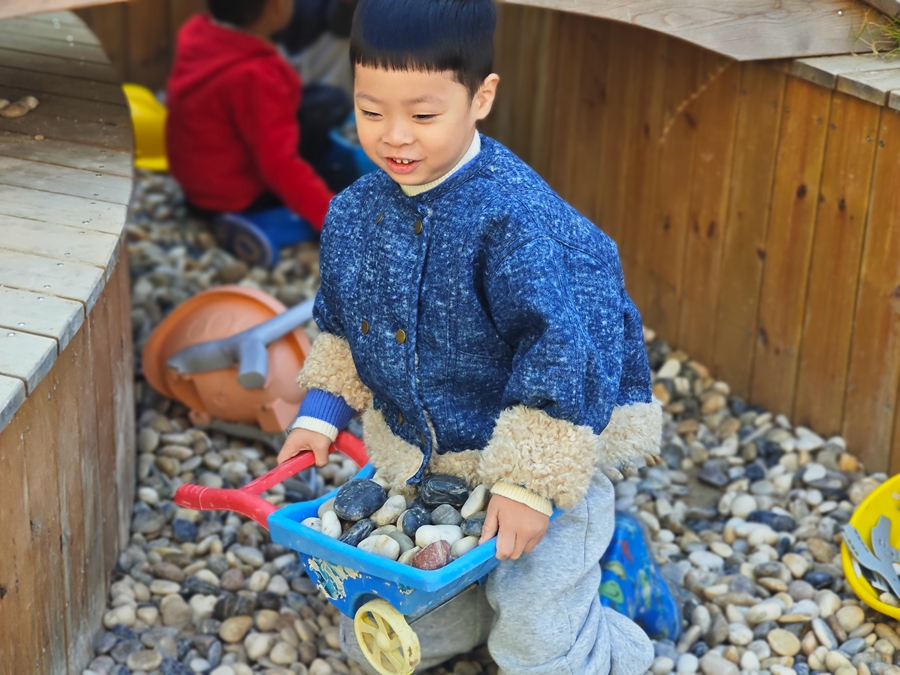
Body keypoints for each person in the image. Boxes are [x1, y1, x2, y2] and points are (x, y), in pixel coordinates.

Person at [277, 0, 680, 671]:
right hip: (432, 464)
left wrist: (527, 488)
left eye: (423, 116)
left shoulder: (514, 220)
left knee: (537, 641)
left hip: (542, 452)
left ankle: (614, 619)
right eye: (371, 111)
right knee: (382, 639)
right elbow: (347, 324)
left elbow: (563, 352)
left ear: (481, 97)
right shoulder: (354, 213)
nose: (395, 137)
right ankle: (476, 605)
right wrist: (320, 415)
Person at [166, 0, 354, 266]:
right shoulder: (256, 75)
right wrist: (336, 223)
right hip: (235, 197)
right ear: (276, 7)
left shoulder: (200, 33)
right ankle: (268, 226)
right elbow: (279, 165)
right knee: (341, 177)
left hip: (200, 185)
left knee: (328, 101)